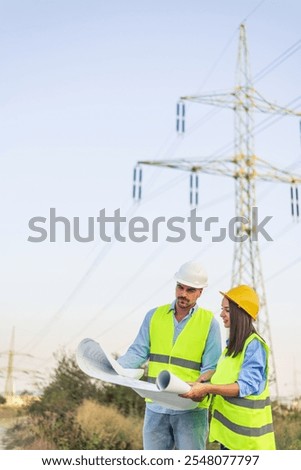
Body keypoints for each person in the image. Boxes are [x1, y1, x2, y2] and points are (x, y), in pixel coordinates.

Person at [117, 260, 222, 450]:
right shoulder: (154, 316)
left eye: (190, 290)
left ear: (200, 292)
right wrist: (115, 368)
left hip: (190, 408)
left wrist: (202, 389)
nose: (183, 294)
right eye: (180, 287)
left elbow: (212, 367)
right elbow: (138, 351)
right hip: (156, 405)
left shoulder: (209, 323)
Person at [181, 285, 276, 450]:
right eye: (222, 309)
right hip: (230, 439)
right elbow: (228, 376)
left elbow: (245, 386)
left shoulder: (254, 346)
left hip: (248, 444)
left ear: (240, 313)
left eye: (227, 310)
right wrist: (208, 377)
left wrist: (207, 388)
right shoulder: (231, 348)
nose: (221, 314)